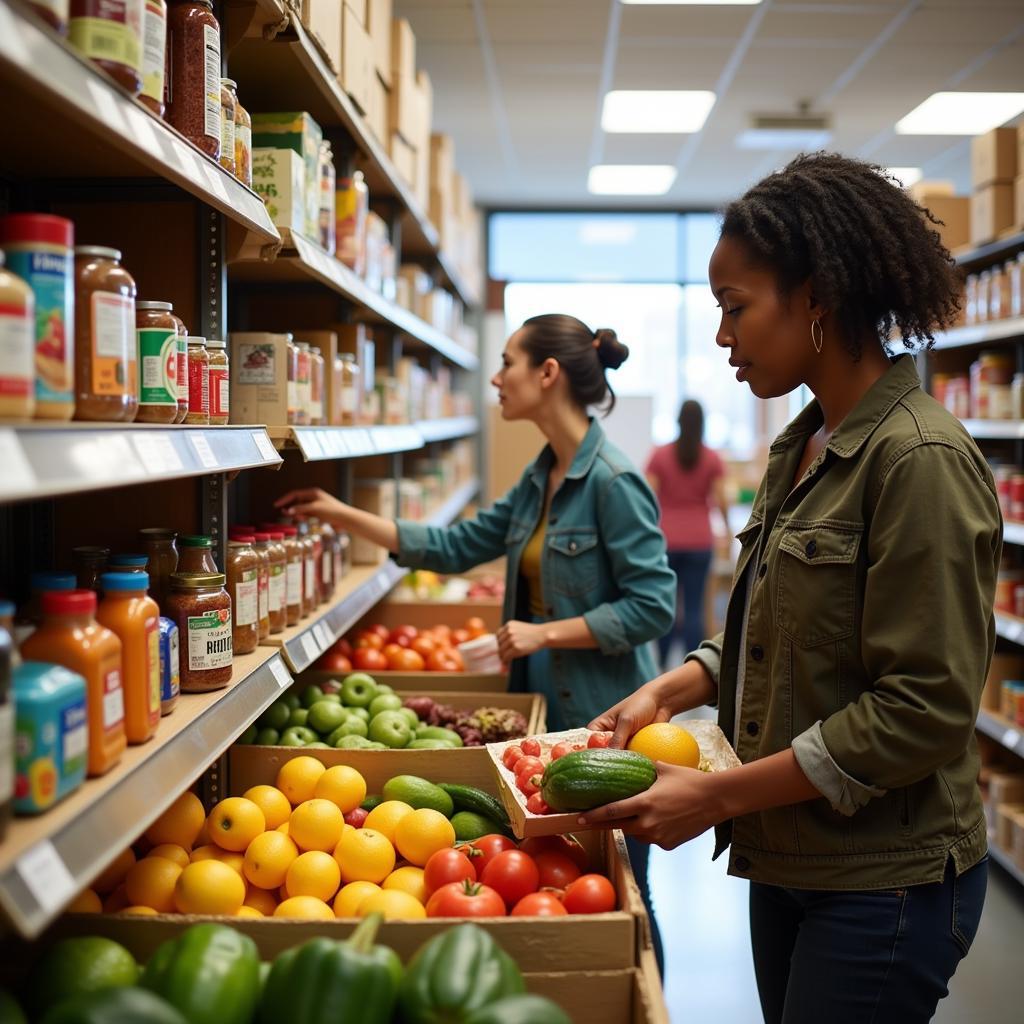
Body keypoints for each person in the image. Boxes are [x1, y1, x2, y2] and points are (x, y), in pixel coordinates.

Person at [581, 153, 1000, 1024]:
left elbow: (924, 706)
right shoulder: (803, 445)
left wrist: (718, 795)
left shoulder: (917, 460)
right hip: (793, 855)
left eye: (736, 308)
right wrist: (669, 688)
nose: (724, 337)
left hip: (885, 881)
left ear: (817, 296)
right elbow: (771, 631)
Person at [276, 312, 675, 969]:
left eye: (509, 361)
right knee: (572, 885)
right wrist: (343, 515)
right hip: (545, 716)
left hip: (605, 722)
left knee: (627, 893)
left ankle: (647, 998)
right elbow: (460, 544)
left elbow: (654, 606)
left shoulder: (613, 483)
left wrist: (544, 632)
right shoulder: (540, 476)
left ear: (547, 374)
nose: (495, 376)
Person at [645, 399, 729, 666]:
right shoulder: (711, 457)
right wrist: (726, 529)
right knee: (694, 608)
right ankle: (692, 670)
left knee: (667, 607)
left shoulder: (660, 455)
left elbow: (647, 495)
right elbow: (721, 499)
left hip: (666, 541)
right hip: (699, 541)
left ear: (678, 421)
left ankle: (661, 667)